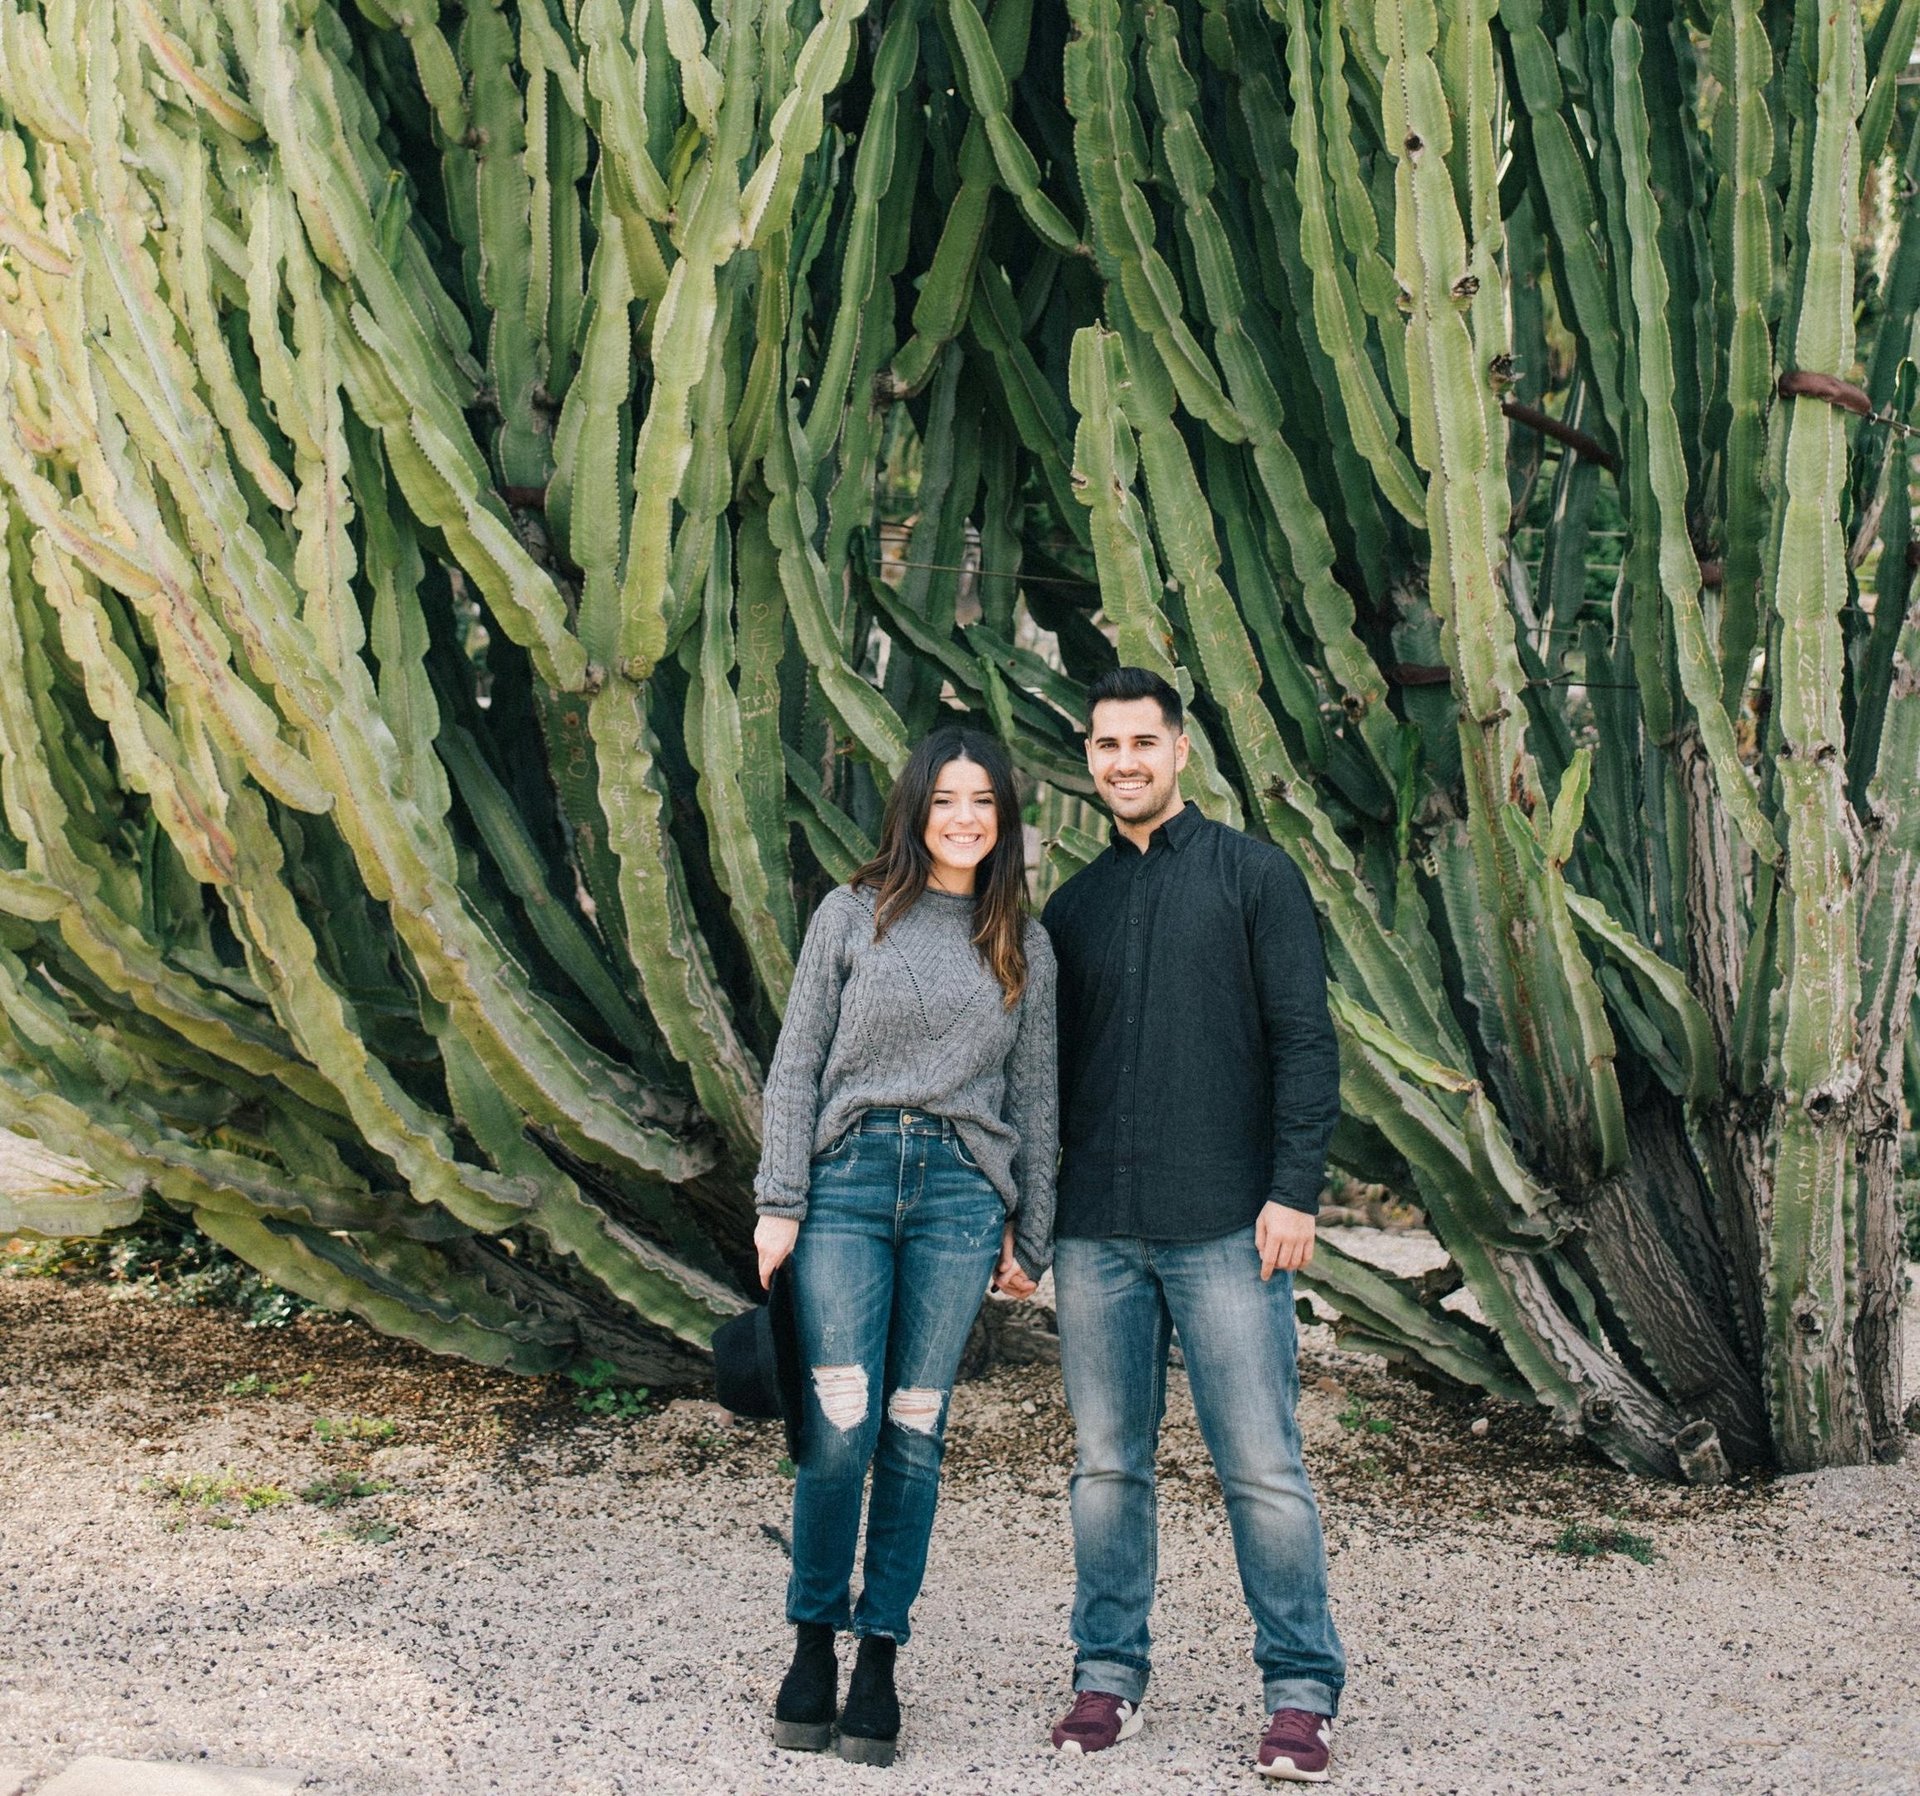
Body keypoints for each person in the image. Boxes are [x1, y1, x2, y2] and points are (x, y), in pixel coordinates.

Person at [1040, 667, 1346, 1783]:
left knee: (1262, 1465)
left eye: (1143, 742)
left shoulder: (1255, 876)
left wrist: (1295, 1188)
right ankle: (1106, 1676)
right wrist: (1036, 1221)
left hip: (1228, 1222)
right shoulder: (1072, 908)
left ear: (1181, 749)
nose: (1124, 761)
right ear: (1090, 759)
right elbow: (1048, 1077)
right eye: (1106, 744)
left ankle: (1302, 1693)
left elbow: (1307, 1041)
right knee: (1107, 1467)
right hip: (1097, 1233)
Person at [751, 725, 1057, 1767]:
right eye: (945, 800)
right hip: (845, 1182)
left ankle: (879, 1655)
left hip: (961, 1201)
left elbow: (1036, 1099)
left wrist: (1036, 1233)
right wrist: (778, 1198)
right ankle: (810, 1645)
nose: (964, 818)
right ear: (914, 810)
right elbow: (796, 1066)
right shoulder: (849, 915)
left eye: (983, 801)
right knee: (839, 1420)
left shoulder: (1022, 938)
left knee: (915, 1427)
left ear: (1004, 818)